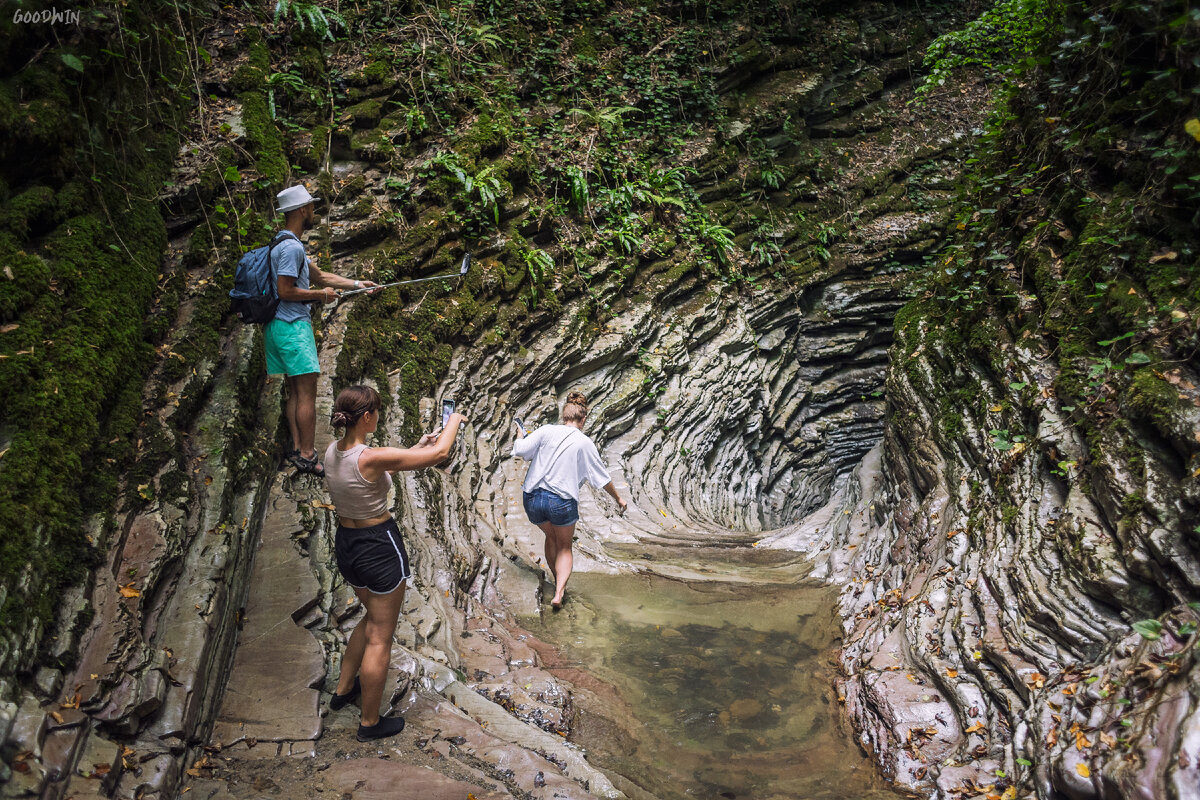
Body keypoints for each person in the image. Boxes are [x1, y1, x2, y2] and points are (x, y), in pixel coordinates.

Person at [323, 385, 467, 741]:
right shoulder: (371, 457)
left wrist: (415, 448)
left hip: (348, 545)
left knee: (371, 618)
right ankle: (370, 723)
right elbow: (442, 453)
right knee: (380, 638)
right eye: (377, 412)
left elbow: (380, 470)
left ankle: (343, 690)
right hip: (379, 548)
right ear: (367, 417)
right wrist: (455, 420)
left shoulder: (332, 452)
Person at [267, 184, 379, 476]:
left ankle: (296, 448)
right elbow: (285, 290)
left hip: (279, 327)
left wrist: (356, 284)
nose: (313, 211)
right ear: (302, 210)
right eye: (311, 207)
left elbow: (318, 275)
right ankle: (306, 454)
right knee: (306, 393)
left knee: (295, 391)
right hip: (292, 326)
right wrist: (321, 295)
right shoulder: (291, 248)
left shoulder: (282, 243)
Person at [513, 391, 626, 610]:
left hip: (532, 498)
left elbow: (520, 450)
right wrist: (619, 499)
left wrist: (520, 434)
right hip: (561, 501)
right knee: (565, 547)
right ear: (583, 419)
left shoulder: (546, 430)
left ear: (563, 416)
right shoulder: (584, 442)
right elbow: (603, 479)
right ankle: (559, 592)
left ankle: (557, 580)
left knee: (551, 537)